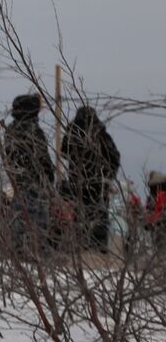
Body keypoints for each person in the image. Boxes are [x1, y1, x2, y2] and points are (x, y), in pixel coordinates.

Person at [60, 105, 121, 252]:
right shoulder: (100, 134)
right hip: (98, 183)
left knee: (81, 214)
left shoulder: (73, 134)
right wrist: (108, 176)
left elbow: (63, 152)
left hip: (79, 183)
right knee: (99, 213)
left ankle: (82, 245)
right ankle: (98, 246)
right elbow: (115, 157)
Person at [2, 93, 54, 249]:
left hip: (19, 183)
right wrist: (49, 177)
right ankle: (36, 251)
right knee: (38, 222)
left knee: (20, 219)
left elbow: (10, 157)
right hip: (35, 183)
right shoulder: (33, 130)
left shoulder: (11, 130)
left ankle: (21, 249)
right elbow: (42, 159)